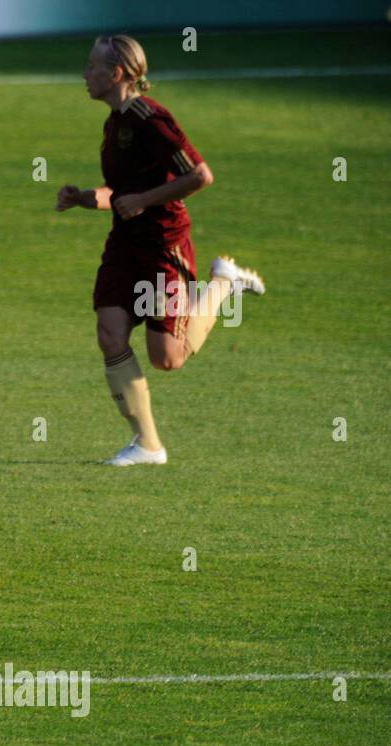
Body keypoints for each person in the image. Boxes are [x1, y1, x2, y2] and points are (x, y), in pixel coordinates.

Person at [57, 34, 265, 466]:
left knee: (167, 358)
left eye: (93, 66)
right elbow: (121, 193)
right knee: (109, 333)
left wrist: (144, 201)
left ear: (117, 74)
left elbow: (200, 175)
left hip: (160, 247)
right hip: (124, 244)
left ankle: (224, 284)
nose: (85, 74)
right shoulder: (114, 122)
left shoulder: (152, 119)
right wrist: (83, 198)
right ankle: (148, 445)